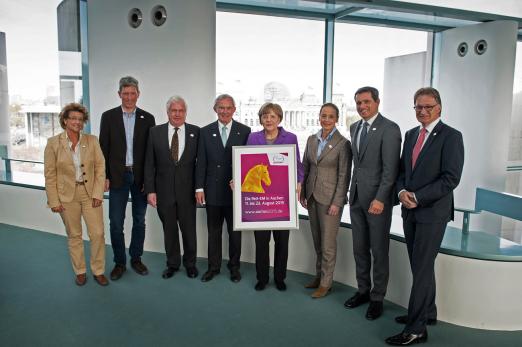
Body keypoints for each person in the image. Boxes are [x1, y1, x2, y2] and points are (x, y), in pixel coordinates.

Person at [386, 87, 464, 346]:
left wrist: (418, 197)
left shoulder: (451, 137)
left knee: (420, 270)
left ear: (439, 108)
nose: (422, 111)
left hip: (432, 213)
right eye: (418, 107)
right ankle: (428, 313)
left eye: (427, 107)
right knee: (421, 266)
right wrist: (401, 193)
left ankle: (416, 328)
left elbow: (450, 178)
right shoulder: (410, 135)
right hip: (409, 212)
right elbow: (401, 172)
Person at [344, 87, 401, 320]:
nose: (361, 106)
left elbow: (391, 170)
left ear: (377, 102)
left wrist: (380, 199)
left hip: (377, 201)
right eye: (358, 102)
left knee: (378, 250)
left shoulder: (390, 129)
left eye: (366, 101)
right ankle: (363, 291)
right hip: (356, 198)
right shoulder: (355, 127)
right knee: (359, 249)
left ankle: (377, 298)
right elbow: (358, 165)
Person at [44, 103, 108, 286]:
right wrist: (53, 200)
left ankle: (98, 270)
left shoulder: (92, 141)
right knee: (74, 234)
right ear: (65, 120)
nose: (77, 122)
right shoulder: (53, 143)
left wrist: (98, 193)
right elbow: (50, 174)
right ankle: (80, 271)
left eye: (80, 119)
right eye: (73, 118)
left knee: (97, 233)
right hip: (66, 196)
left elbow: (100, 168)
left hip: (89, 194)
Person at [99, 76, 156, 280]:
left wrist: (150, 182)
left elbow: (151, 153)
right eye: (125, 93)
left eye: (133, 93)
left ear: (138, 94)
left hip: (140, 177)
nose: (129, 97)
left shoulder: (148, 118)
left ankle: (136, 259)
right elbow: (102, 149)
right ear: (119, 94)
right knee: (116, 221)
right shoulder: (108, 117)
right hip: (117, 176)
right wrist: (104, 176)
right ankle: (120, 262)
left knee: (139, 220)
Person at [246, 102, 304, 291]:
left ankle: (280, 278)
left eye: (272, 116)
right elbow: (246, 164)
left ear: (279, 118)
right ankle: (262, 278)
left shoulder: (291, 137)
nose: (268, 119)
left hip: (282, 200)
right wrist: (237, 181)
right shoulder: (253, 138)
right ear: (261, 118)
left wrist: (298, 182)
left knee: (281, 242)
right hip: (261, 202)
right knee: (261, 242)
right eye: (265, 116)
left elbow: (298, 166)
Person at [195, 94, 251, 283]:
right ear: (215, 109)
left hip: (235, 192)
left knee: (235, 233)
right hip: (212, 190)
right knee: (214, 232)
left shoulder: (245, 131)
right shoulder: (205, 131)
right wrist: (199, 188)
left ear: (234, 109)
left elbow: (249, 163)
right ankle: (213, 267)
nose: (225, 111)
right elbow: (201, 162)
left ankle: (234, 267)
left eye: (228, 108)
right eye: (221, 107)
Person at [144, 96, 200, 279]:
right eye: (173, 110)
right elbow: (149, 164)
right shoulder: (155, 132)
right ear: (167, 112)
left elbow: (201, 165)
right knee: (169, 230)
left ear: (186, 112)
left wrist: (199, 188)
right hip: (164, 192)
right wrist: (151, 190)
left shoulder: (196, 132)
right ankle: (173, 264)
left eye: (181, 110)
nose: (177, 114)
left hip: (187, 192)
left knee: (189, 230)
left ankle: (190, 264)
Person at [300, 103, 351, 298]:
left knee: (328, 244)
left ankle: (326, 283)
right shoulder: (312, 139)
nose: (326, 119)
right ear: (319, 117)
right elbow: (305, 166)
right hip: (312, 196)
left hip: (330, 200)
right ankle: (318, 276)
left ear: (336, 119)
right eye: (323, 115)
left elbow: (344, 176)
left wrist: (337, 202)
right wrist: (303, 192)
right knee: (317, 240)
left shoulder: (342, 143)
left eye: (331, 116)